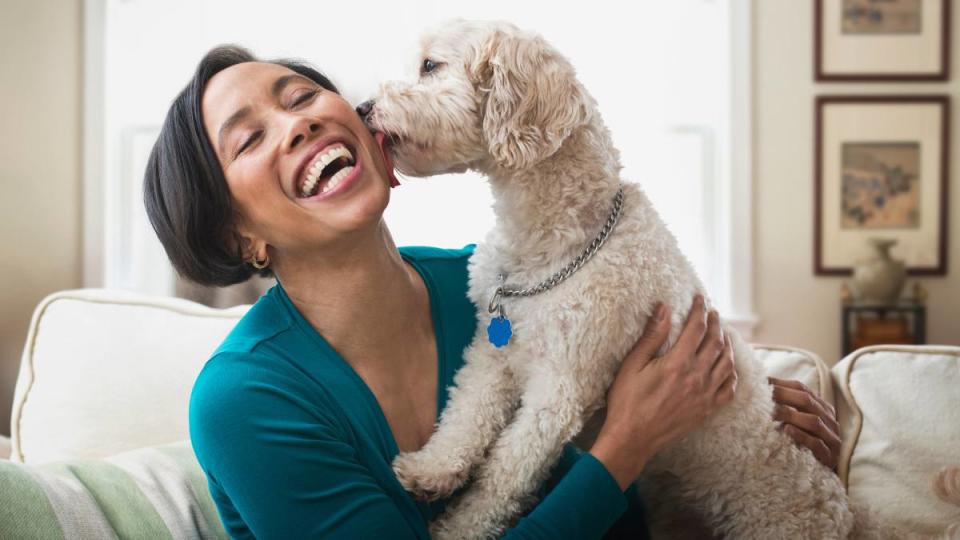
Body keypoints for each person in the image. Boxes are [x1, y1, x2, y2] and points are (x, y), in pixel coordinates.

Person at [143, 45, 842, 539]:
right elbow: (619, 428)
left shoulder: (505, 282)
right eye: (250, 138)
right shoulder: (246, 400)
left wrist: (732, 405)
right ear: (239, 238)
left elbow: (627, 357)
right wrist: (627, 445)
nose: (299, 122)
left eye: (302, 97)